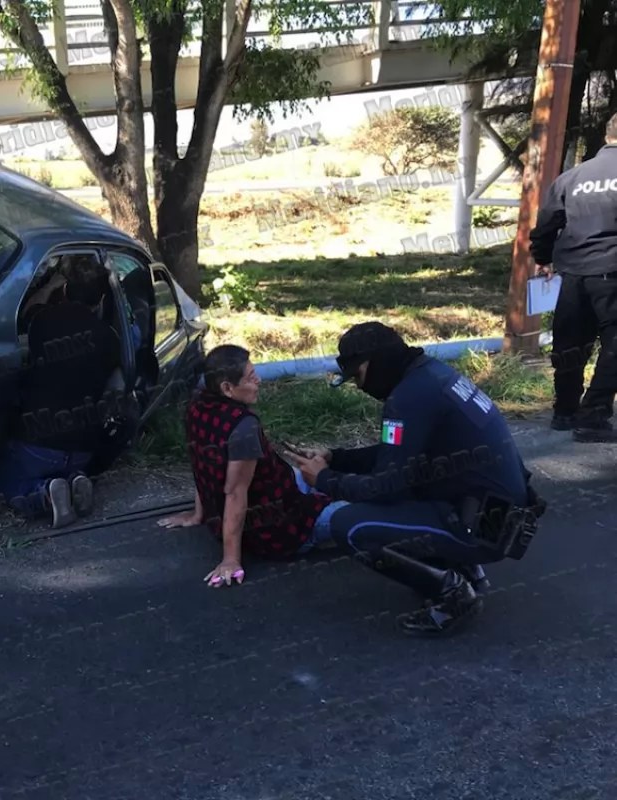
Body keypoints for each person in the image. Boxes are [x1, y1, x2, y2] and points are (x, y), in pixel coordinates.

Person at [285, 322, 546, 637]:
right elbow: (397, 455)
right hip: (499, 517)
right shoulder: (432, 375)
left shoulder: (407, 399)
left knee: (350, 526)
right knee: (409, 489)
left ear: (377, 362)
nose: (358, 385)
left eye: (358, 375)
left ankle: (453, 593)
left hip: (483, 528)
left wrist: (325, 480)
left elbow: (382, 488)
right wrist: (336, 457)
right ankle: (463, 568)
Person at [157, 344, 349, 588]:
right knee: (358, 512)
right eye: (250, 378)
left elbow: (202, 463)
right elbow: (235, 494)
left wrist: (199, 515)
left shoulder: (197, 407)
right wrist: (230, 560)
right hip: (281, 528)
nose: (258, 380)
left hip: (273, 496)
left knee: (317, 475)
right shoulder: (243, 429)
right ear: (227, 388)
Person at [0, 255, 124, 528]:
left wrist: (50, 287)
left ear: (64, 289)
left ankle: (42, 495)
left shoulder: (44, 321)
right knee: (64, 461)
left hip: (38, 443)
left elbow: (27, 312)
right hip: (86, 445)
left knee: (0, 477)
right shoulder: (110, 337)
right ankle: (74, 478)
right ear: (101, 300)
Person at [529, 112, 617, 443]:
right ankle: (593, 416)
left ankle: (564, 412)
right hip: (611, 271)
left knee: (570, 343)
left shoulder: (573, 176)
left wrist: (543, 257)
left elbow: (548, 219)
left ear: (607, 137)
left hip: (571, 272)